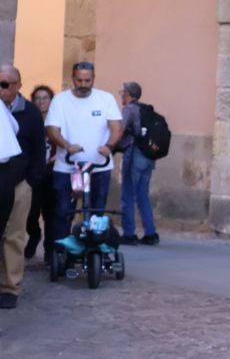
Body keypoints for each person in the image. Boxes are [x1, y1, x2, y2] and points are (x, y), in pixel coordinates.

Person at [44, 62, 122, 250]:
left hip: (98, 166)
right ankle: (61, 252)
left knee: (96, 212)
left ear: (93, 79)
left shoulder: (105, 99)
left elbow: (116, 127)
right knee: (63, 211)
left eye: (87, 80)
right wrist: (66, 146)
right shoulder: (61, 100)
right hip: (67, 167)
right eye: (79, 80)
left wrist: (109, 146)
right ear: (73, 79)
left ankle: (93, 250)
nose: (83, 84)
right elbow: (52, 129)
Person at [0, 65, 38, 309]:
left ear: (18, 86)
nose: (1, 89)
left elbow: (38, 150)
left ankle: (9, 287)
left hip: (19, 183)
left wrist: (30, 181)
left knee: (13, 235)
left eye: (5, 84)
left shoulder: (30, 113)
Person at [115, 81, 158, 245]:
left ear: (128, 94)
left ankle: (129, 233)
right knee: (142, 195)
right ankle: (150, 233)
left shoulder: (129, 109)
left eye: (123, 92)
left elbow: (120, 130)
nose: (121, 95)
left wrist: (109, 146)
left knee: (127, 193)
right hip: (148, 156)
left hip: (134, 154)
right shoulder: (145, 109)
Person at [23, 84, 54, 259]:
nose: (42, 102)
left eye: (45, 98)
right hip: (34, 173)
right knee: (31, 212)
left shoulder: (57, 121)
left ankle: (50, 250)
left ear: (51, 101)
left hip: (53, 174)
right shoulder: (30, 121)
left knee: (50, 213)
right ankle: (34, 236)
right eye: (38, 98)